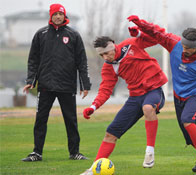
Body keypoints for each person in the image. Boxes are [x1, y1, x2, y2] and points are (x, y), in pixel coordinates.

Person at [128, 15, 196, 173]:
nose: (184, 50)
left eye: (188, 48)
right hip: (179, 95)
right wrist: (140, 24)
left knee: (187, 120)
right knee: (190, 136)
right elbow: (156, 32)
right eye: (184, 46)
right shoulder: (175, 44)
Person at [80, 28, 168, 174]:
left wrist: (139, 32)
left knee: (147, 108)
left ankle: (150, 152)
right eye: (101, 55)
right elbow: (105, 90)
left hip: (154, 91)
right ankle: (93, 169)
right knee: (110, 134)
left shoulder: (132, 44)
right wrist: (93, 107)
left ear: (114, 46)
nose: (105, 57)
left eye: (107, 53)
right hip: (134, 98)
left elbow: (156, 38)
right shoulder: (108, 67)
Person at [22, 4, 91, 162]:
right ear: (51, 15)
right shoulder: (41, 34)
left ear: (64, 15)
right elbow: (33, 60)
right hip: (45, 85)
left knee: (71, 120)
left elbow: (82, 61)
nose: (58, 16)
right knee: (40, 120)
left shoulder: (74, 35)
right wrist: (31, 80)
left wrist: (85, 85)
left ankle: (75, 153)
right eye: (55, 14)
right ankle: (36, 153)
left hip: (67, 86)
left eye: (61, 14)